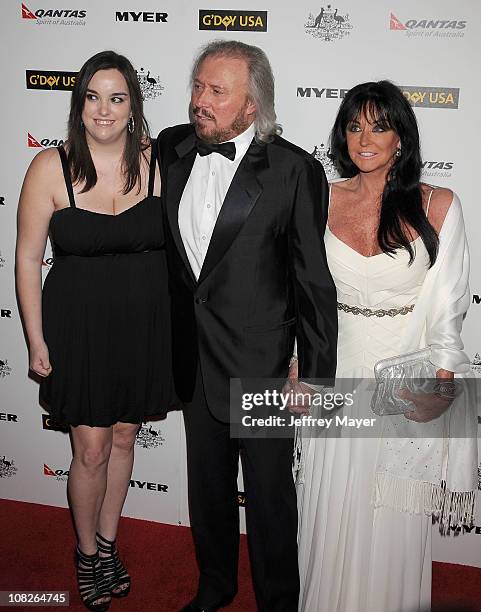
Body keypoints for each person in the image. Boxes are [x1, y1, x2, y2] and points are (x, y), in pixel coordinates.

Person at [157, 40, 337, 611]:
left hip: (260, 367)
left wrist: (314, 374)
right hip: (194, 362)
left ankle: (278, 602)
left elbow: (313, 281)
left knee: (268, 499)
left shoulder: (293, 170)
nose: (199, 101)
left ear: (252, 105)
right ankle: (215, 587)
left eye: (217, 92)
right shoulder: (172, 148)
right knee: (207, 492)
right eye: (197, 87)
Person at [293, 81, 477, 612]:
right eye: (354, 126)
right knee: (329, 504)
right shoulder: (321, 197)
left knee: (392, 512)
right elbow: (300, 295)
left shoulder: (438, 204)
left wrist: (441, 385)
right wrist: (295, 369)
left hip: (405, 375)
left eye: (379, 125)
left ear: (402, 135)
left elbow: (449, 306)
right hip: (335, 369)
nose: (365, 138)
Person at [16, 51, 171, 611]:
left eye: (117, 97)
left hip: (143, 323)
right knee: (90, 448)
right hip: (78, 327)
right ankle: (84, 553)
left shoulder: (160, 162)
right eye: (92, 96)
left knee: (126, 437)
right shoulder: (49, 168)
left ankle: (108, 546)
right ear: (78, 102)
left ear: (134, 105)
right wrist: (36, 340)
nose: (103, 110)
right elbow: (28, 260)